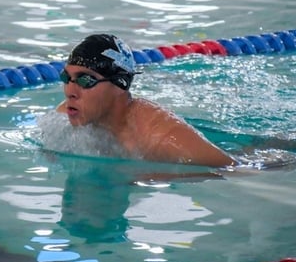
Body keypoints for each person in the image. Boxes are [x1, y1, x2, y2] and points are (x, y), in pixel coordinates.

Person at [56, 33, 237, 168]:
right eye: (66, 79)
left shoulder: (163, 138)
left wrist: (152, 176)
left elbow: (236, 170)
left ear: (119, 85)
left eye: (85, 80)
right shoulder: (64, 115)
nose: (70, 91)